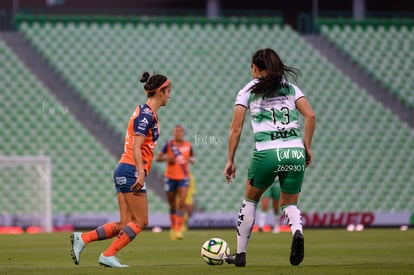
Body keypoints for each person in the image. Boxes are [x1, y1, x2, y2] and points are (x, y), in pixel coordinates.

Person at [223, 48, 315, 267]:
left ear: (255, 67)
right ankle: (297, 231)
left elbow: (236, 129)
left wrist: (230, 160)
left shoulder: (248, 90)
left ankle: (240, 254)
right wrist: (307, 147)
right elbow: (310, 116)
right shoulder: (291, 88)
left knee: (250, 200)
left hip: (267, 152)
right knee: (289, 203)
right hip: (294, 151)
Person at [70, 71, 172, 267]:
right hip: (131, 170)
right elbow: (136, 146)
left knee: (124, 224)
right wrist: (141, 173)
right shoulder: (146, 116)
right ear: (159, 92)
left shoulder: (146, 112)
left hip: (123, 168)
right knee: (141, 221)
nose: (170, 95)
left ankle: (83, 239)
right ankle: (108, 254)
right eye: (168, 91)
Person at [156, 125, 195, 240]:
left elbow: (192, 158)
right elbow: (158, 158)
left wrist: (191, 160)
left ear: (183, 133)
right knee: (172, 204)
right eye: (176, 132)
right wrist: (168, 159)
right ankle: (173, 227)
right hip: (170, 177)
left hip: (183, 177)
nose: (177, 134)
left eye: (180, 131)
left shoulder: (188, 146)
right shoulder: (168, 145)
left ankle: (178, 229)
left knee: (181, 203)